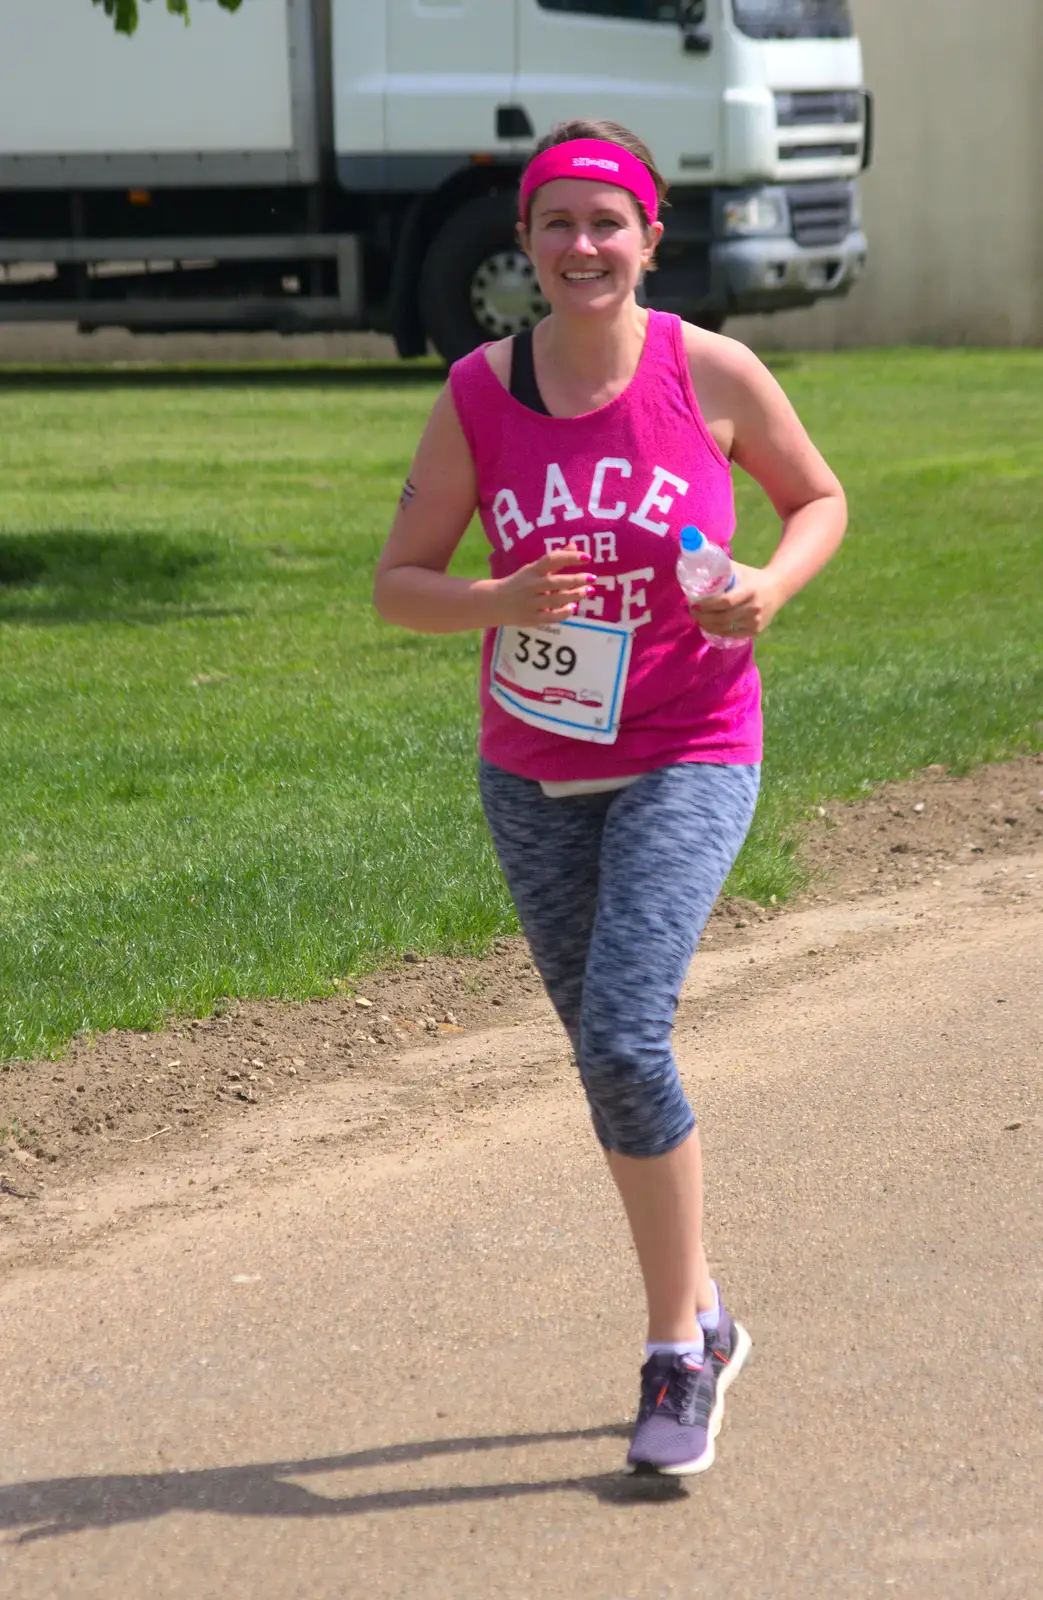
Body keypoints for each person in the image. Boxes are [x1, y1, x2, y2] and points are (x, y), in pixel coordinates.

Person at [373, 119, 846, 1476]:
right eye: (557, 225)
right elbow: (398, 582)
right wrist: (495, 599)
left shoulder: (711, 370)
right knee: (605, 1060)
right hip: (533, 769)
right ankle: (703, 1300)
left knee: (627, 1042)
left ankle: (672, 1353)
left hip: (693, 742)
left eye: (608, 223)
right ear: (521, 245)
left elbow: (817, 501)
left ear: (649, 238)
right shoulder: (478, 390)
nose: (583, 248)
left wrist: (767, 584)